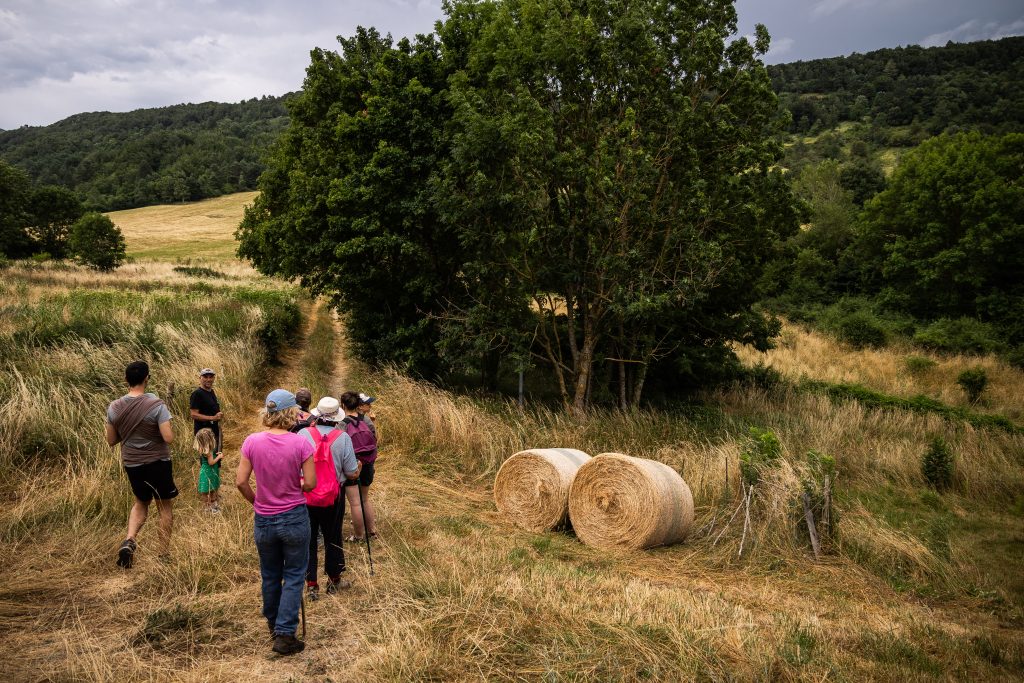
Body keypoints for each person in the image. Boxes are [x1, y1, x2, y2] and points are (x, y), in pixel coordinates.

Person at [236, 389, 316, 656]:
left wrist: (257, 501)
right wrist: (296, 485)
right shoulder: (301, 443)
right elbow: (312, 483)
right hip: (294, 515)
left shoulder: (251, 442)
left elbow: (240, 482)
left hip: (265, 518)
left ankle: (273, 622)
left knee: (270, 574)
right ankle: (285, 633)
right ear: (291, 412)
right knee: (294, 575)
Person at [105, 360, 176, 569]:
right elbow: (168, 437)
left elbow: (111, 440)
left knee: (140, 502)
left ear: (126, 380)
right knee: (164, 506)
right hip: (158, 462)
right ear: (147, 378)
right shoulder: (157, 405)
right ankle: (163, 553)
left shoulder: (114, 407)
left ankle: (130, 540)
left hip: (132, 463)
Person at [301, 396, 359, 599]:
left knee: (308, 538)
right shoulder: (343, 438)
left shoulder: (303, 434)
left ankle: (311, 584)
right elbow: (351, 472)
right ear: (337, 418)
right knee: (332, 536)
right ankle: (334, 579)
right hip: (333, 496)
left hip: (306, 493)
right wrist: (358, 468)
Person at [340, 391, 378, 542]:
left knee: (354, 503)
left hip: (353, 465)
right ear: (357, 404)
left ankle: (358, 535)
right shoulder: (367, 420)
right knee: (365, 499)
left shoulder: (342, 423)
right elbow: (375, 440)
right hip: (368, 464)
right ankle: (372, 531)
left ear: (343, 405)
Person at [189, 368, 222, 449]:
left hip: (214, 431)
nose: (208, 379)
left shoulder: (211, 391)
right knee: (207, 460)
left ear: (213, 378)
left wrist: (218, 414)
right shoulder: (197, 394)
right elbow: (193, 415)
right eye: (205, 377)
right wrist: (213, 418)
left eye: (211, 377)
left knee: (217, 457)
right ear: (200, 378)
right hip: (203, 434)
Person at [193, 428, 223, 513]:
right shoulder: (209, 452)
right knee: (212, 488)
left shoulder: (202, 449)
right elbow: (211, 462)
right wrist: (219, 457)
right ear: (209, 440)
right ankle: (213, 507)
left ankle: (207, 507)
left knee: (205, 490)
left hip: (204, 471)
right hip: (210, 471)